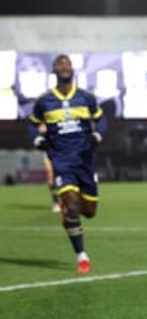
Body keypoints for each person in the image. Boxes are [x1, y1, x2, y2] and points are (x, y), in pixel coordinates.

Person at [28, 54, 106, 274]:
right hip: (61, 161)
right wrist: (37, 139)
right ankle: (82, 256)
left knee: (89, 211)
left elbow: (101, 119)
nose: (64, 66)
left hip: (85, 161)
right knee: (72, 207)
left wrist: (98, 135)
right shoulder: (44, 101)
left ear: (73, 70)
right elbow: (32, 125)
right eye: (60, 64)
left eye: (67, 63)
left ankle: (71, 215)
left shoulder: (86, 98)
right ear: (54, 71)